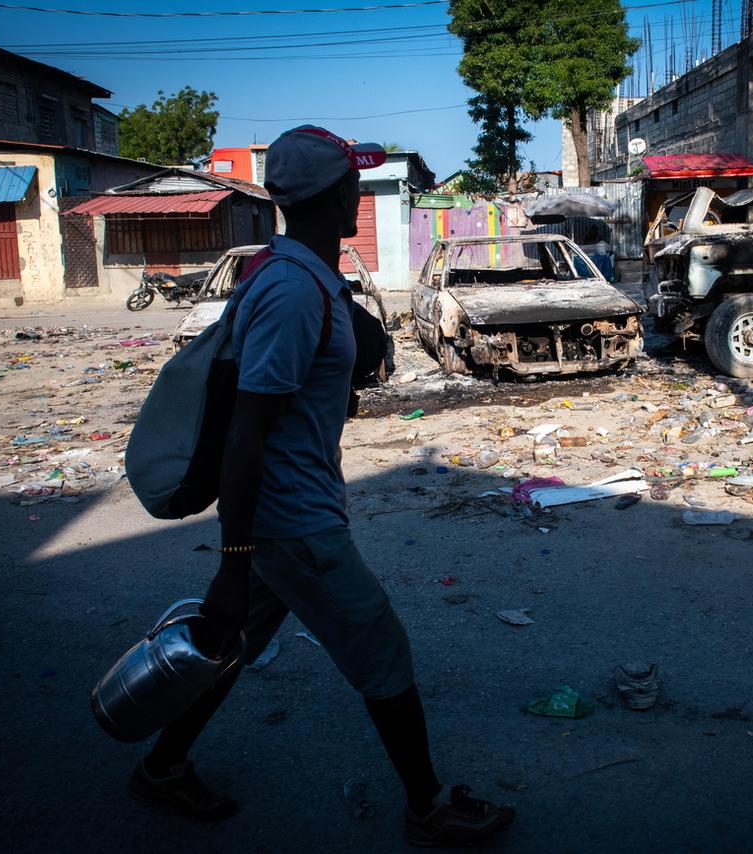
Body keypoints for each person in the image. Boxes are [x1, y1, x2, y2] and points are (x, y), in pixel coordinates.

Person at [126, 126, 515, 847]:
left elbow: (331, 374)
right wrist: (232, 560)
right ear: (335, 194)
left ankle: (163, 764)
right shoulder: (290, 290)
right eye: (352, 185)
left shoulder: (306, 276)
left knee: (232, 645)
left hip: (291, 514)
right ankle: (428, 806)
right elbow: (247, 432)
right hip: (292, 520)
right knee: (381, 649)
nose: (356, 195)